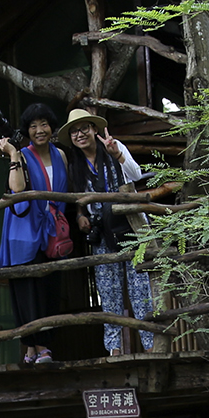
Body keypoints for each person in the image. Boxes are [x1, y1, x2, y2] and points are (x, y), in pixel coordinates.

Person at [59, 108, 156, 355]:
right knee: (108, 292)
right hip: (103, 233)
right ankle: (114, 349)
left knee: (141, 289)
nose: (79, 134)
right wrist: (80, 216)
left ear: (94, 129)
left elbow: (136, 176)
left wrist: (118, 155)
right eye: (74, 132)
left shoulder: (114, 147)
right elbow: (80, 199)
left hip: (132, 227)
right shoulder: (76, 165)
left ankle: (152, 346)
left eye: (83, 128)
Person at [0, 103, 70, 328]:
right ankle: (33, 345)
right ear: (27, 131)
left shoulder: (61, 155)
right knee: (27, 290)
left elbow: (65, 192)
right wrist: (12, 154)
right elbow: (17, 189)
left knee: (50, 288)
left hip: (52, 230)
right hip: (25, 231)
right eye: (33, 126)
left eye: (44, 124)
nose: (40, 130)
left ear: (52, 128)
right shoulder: (23, 155)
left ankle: (44, 345)